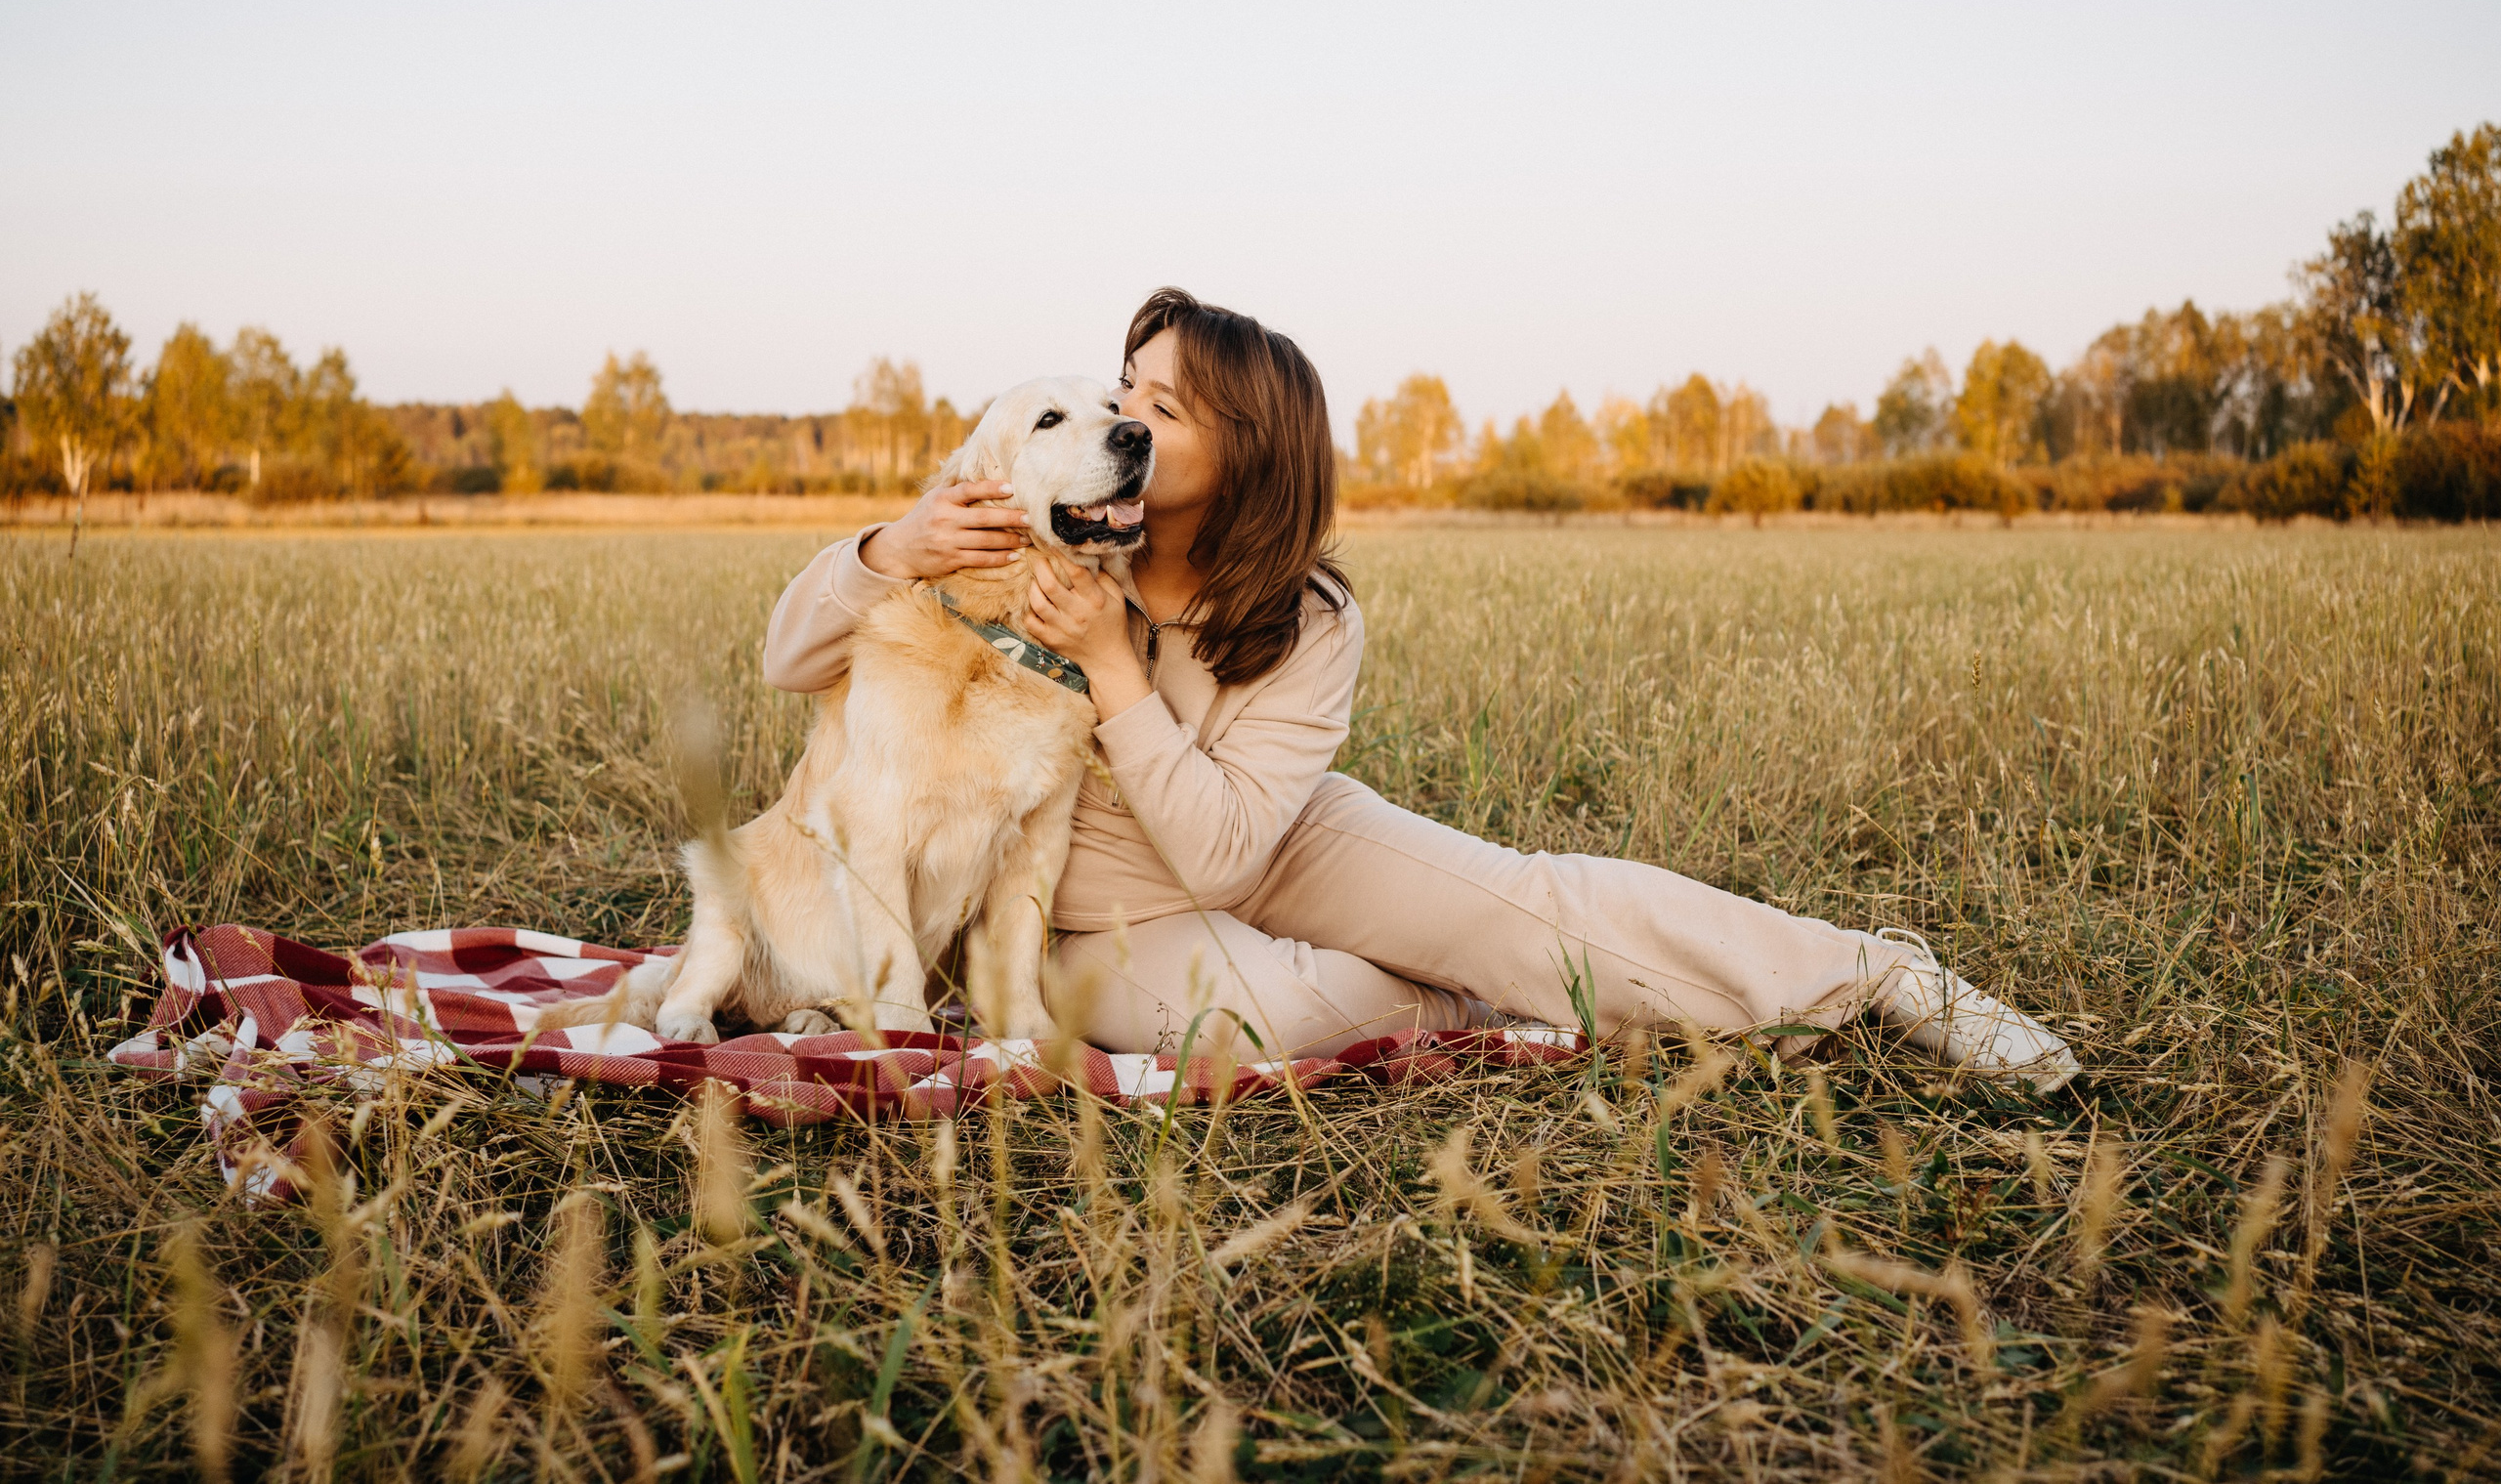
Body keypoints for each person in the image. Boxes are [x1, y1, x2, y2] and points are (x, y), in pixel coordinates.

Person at [763, 288, 2080, 1088]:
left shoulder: (1307, 614)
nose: (1120, 424)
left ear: (1246, 449)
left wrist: (1117, 673)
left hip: (1264, 839)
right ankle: (1479, 1006)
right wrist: (889, 549)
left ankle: (1876, 979)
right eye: (1123, 395)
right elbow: (793, 661)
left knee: (1534, 903)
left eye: (1159, 408)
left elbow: (1226, 848)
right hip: (1082, 917)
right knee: (1256, 1015)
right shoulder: (1025, 532)